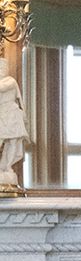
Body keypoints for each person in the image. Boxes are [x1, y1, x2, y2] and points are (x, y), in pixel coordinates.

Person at [0, 57, 28, 185]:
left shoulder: (10, 81)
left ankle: (6, 166)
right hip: (2, 115)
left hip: (12, 115)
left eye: (2, 68)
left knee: (12, 142)